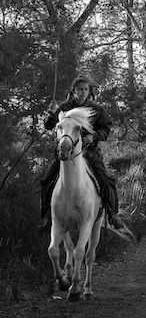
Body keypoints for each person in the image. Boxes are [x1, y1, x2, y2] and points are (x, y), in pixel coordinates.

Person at [39, 75, 124, 231]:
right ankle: (46, 217)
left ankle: (113, 215)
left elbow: (105, 129)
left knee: (105, 180)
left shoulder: (96, 110)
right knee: (47, 180)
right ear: (74, 91)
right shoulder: (64, 108)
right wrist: (51, 114)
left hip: (90, 153)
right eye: (80, 89)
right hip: (66, 153)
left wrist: (94, 136)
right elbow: (49, 126)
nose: (83, 92)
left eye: (86, 89)